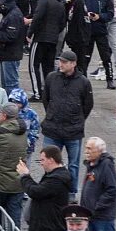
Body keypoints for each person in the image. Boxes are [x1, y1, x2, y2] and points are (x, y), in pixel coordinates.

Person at [40, 48, 94, 192]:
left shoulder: (83, 82)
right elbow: (46, 99)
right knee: (48, 162)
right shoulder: (52, 78)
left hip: (73, 131)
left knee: (74, 165)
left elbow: (88, 104)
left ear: (73, 64)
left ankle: (71, 193)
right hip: (52, 129)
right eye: (60, 61)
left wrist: (78, 120)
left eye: (65, 62)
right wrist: (52, 114)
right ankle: (49, 190)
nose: (61, 64)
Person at [16, 146, 72, 231]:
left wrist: (25, 176)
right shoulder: (53, 175)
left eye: (42, 160)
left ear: (51, 160)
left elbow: (36, 191)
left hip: (47, 228)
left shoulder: (57, 179)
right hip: (44, 226)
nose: (41, 163)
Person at [77, 139, 116, 231]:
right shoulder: (92, 165)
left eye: (90, 149)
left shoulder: (106, 165)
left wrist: (96, 207)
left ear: (100, 151)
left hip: (102, 217)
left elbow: (112, 189)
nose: (86, 151)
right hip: (90, 216)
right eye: (86, 148)